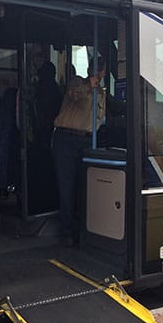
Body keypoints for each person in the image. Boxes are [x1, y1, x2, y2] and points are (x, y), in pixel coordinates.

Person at [52, 57, 106, 246]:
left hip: (86, 141)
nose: (97, 72)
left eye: (101, 69)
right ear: (89, 68)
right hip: (66, 139)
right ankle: (65, 232)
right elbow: (74, 95)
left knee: (85, 187)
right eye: (94, 67)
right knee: (66, 186)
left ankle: (84, 231)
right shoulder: (77, 82)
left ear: (104, 73)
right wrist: (89, 85)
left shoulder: (102, 93)